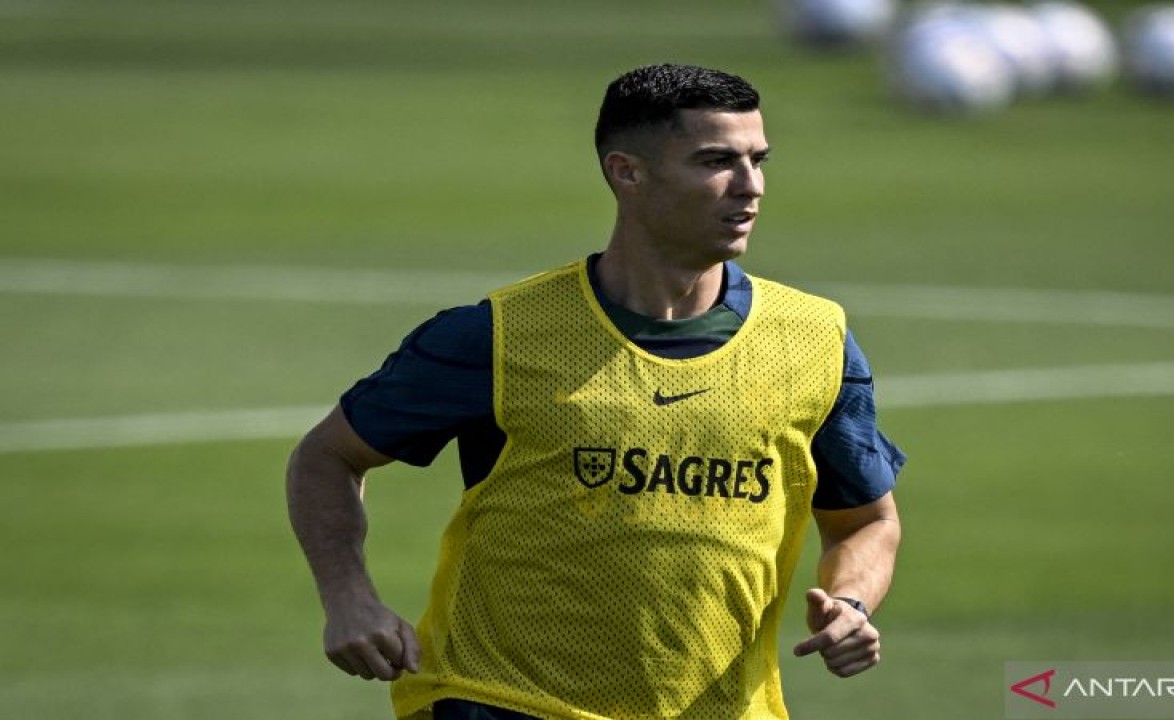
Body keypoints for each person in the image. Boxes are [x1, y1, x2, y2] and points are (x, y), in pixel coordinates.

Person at [287, 63, 905, 720]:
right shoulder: (498, 335)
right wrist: (347, 594)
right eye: (716, 161)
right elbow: (328, 456)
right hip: (499, 702)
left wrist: (852, 602)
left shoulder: (816, 338)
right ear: (627, 172)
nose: (750, 187)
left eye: (759, 160)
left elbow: (867, 520)